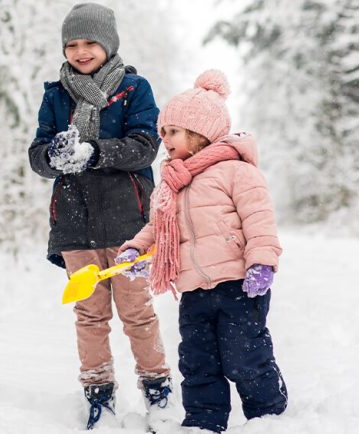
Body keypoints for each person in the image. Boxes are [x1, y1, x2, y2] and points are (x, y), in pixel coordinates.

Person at [116, 69, 288, 433]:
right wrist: (136, 249)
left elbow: (259, 219)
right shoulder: (171, 184)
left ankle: (268, 413)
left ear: (200, 133)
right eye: (162, 132)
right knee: (197, 360)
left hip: (238, 284)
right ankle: (203, 421)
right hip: (193, 288)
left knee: (244, 353)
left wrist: (262, 262)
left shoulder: (236, 172)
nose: (164, 139)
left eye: (173, 131)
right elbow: (157, 228)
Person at [27, 2, 172, 430]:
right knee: (89, 314)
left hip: (129, 225)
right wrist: (54, 155)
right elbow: (37, 155)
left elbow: (146, 146)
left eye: (90, 42)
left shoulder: (134, 88)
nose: (81, 51)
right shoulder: (55, 94)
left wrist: (94, 153)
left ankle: (157, 389)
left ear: (108, 44)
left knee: (137, 312)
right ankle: (98, 393)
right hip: (75, 223)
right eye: (72, 44)